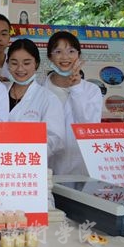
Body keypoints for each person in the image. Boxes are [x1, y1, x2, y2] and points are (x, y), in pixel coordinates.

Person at [42, 31, 102, 175]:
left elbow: (89, 129)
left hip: (83, 169)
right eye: (58, 52)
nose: (65, 57)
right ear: (50, 56)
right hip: (48, 169)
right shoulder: (39, 90)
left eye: (71, 51)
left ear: (79, 55)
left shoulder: (92, 90)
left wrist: (76, 89)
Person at [5, 38, 64, 163]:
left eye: (26, 63)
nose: (20, 69)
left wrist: (25, 153)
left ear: (36, 64)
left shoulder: (48, 98)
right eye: (14, 63)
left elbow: (55, 139)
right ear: (7, 64)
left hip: (30, 164)